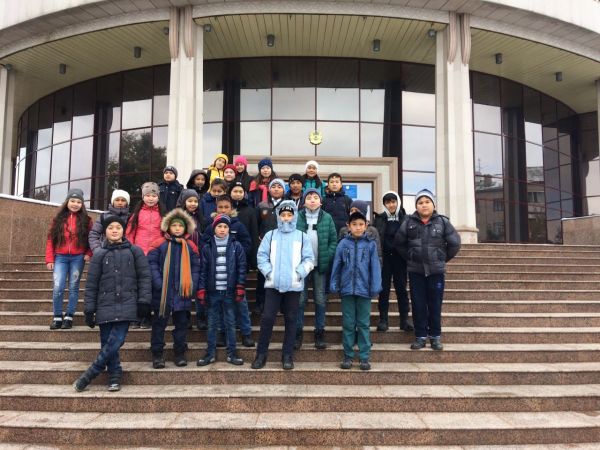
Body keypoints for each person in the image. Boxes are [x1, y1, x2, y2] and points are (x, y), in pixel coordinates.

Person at [73, 215, 151, 392]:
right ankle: (114, 375)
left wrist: (144, 301)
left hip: (127, 304)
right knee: (107, 343)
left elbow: (145, 277)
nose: (114, 231)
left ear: (124, 230)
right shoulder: (99, 254)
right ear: (104, 232)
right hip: (104, 305)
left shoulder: (135, 251)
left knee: (116, 340)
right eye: (110, 228)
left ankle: (90, 374)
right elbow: (92, 284)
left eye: (118, 227)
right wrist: (89, 310)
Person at [395, 189, 461, 351]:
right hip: (416, 271)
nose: (424, 205)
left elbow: (455, 243)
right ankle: (420, 336)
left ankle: (435, 336)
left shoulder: (443, 222)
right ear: (416, 206)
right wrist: (410, 257)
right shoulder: (408, 222)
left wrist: (441, 258)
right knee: (418, 304)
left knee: (435, 304)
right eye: (420, 202)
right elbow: (399, 243)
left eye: (427, 202)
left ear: (433, 204)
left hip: (436, 272)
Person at [252, 201, 314, 370]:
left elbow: (309, 259)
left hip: (293, 286)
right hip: (273, 285)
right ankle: (261, 355)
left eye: (289, 215)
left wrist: (299, 273)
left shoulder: (302, 236)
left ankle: (287, 355)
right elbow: (261, 256)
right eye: (283, 214)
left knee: (291, 320)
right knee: (267, 319)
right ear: (279, 216)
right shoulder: (270, 235)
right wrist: (269, 273)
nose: (286, 218)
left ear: (294, 216)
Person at [148, 208, 201, 368]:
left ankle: (179, 353)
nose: (177, 228)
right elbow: (151, 265)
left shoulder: (190, 246)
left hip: (182, 292)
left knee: (181, 324)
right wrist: (159, 283)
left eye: (180, 226)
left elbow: (196, 268)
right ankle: (157, 354)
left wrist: (192, 285)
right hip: (162, 293)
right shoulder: (159, 244)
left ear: (185, 228)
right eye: (174, 225)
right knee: (159, 325)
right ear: (168, 227)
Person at [330, 210, 382, 371]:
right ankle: (348, 355)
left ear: (366, 226)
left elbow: (375, 267)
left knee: (363, 324)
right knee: (348, 324)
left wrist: (375, 286)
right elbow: (337, 265)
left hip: (364, 291)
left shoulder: (371, 244)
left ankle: (364, 357)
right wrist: (334, 282)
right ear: (348, 226)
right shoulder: (343, 244)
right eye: (354, 224)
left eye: (360, 224)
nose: (358, 227)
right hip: (347, 290)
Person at [201, 195, 254, 347]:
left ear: (232, 208)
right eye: (220, 207)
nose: (223, 210)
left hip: (234, 274)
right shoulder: (211, 226)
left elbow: (247, 243)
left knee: (241, 306)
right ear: (216, 208)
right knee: (219, 308)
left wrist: (236, 256)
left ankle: (246, 333)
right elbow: (204, 244)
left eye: (226, 207)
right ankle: (222, 334)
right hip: (217, 275)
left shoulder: (238, 225)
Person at [196, 214, 247, 366]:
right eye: (219, 226)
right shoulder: (207, 247)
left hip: (229, 292)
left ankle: (232, 353)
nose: (222, 229)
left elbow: (242, 268)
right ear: (214, 229)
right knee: (212, 324)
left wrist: (240, 286)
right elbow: (203, 270)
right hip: (213, 292)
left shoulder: (236, 246)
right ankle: (210, 353)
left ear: (229, 229)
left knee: (230, 323)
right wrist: (201, 289)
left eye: (225, 227)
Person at [295, 188, 337, 350]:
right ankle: (298, 333)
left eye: (315, 197)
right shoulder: (297, 216)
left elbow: (333, 241)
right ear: (304, 201)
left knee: (320, 299)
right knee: (300, 300)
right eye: (309, 197)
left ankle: (319, 332)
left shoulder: (327, 217)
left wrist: (327, 255)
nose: (312, 200)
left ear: (320, 201)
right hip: (302, 265)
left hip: (320, 265)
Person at [45, 188, 93, 330]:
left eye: (78, 202)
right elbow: (50, 239)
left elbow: (92, 238)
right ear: (67, 202)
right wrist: (49, 259)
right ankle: (57, 316)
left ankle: (69, 316)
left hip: (78, 257)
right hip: (60, 257)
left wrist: (89, 253)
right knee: (58, 286)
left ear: (82, 204)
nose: (75, 204)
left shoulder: (87, 220)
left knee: (73, 287)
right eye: (72, 201)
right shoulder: (58, 219)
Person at [126, 182, 164, 329]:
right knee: (139, 285)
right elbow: (129, 234)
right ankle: (137, 316)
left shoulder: (163, 214)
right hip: (139, 254)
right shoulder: (136, 214)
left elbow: (166, 233)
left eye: (153, 196)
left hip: (156, 255)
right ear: (143, 197)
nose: (150, 198)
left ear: (158, 197)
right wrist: (131, 250)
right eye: (147, 195)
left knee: (153, 286)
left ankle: (148, 316)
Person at [373, 191, 412, 333]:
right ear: (384, 204)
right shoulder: (379, 219)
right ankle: (383, 320)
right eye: (388, 202)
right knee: (383, 290)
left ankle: (404, 320)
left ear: (398, 202)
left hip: (400, 259)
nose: (391, 205)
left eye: (393, 201)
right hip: (384, 259)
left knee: (401, 289)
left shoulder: (406, 219)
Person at [254, 177, 286, 314]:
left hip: (283, 246)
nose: (276, 189)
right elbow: (256, 225)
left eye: (279, 187)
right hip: (265, 246)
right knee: (263, 275)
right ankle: (260, 303)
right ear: (269, 189)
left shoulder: (288, 204)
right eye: (273, 186)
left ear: (283, 190)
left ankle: (281, 304)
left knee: (281, 274)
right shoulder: (262, 205)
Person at [89, 189, 130, 253]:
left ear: (127, 202)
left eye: (123, 200)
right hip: (105, 252)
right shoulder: (103, 216)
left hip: (125, 253)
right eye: (117, 200)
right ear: (112, 201)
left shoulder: (131, 217)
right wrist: (97, 250)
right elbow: (94, 234)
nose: (120, 202)